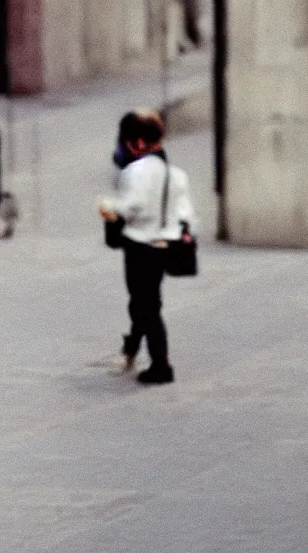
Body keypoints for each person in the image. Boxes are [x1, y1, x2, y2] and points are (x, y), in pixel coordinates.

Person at [98, 110, 196, 385]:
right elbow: (185, 212)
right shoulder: (176, 175)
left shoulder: (135, 172)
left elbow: (132, 207)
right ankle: (131, 349)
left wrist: (109, 207)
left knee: (145, 305)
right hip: (165, 245)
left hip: (140, 244)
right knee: (147, 300)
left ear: (136, 143)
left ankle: (160, 364)